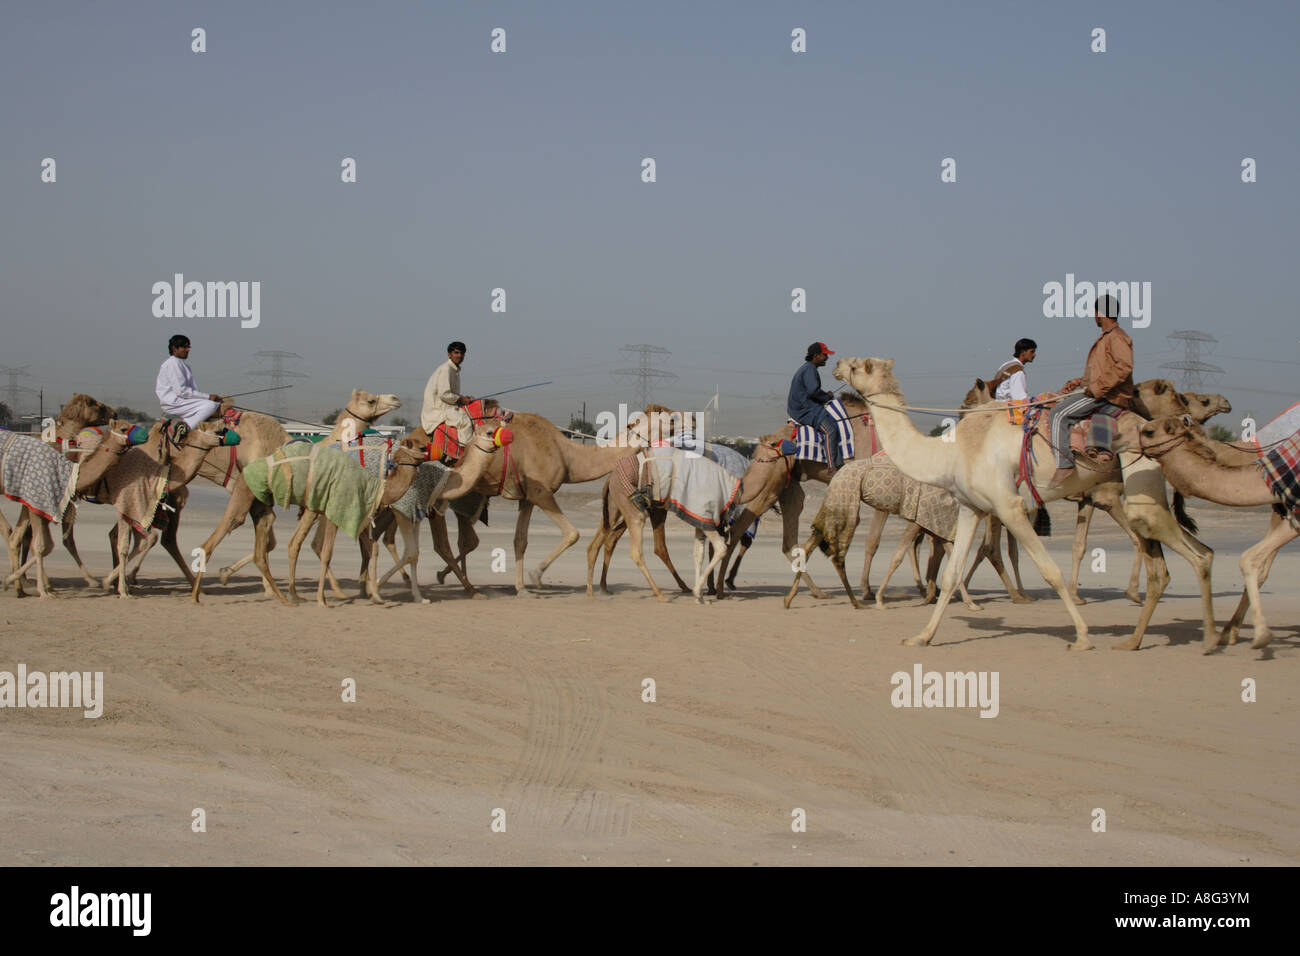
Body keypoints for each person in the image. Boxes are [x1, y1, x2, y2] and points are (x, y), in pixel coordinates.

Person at [1047, 295, 1134, 486]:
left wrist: (1095, 388)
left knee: (1058, 414)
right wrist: (1079, 382)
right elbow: (1103, 371)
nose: (1093, 317)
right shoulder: (1107, 338)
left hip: (1107, 395)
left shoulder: (1117, 338)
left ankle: (1064, 464)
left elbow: (1124, 368)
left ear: (1100, 314)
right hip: (1100, 390)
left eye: (1094, 313)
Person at [787, 342, 843, 470]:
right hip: (805, 410)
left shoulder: (807, 368)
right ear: (816, 356)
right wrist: (827, 396)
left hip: (804, 407)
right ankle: (832, 467)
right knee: (831, 431)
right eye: (825, 355)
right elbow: (813, 391)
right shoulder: (810, 369)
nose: (827, 358)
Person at [155, 334, 226, 427]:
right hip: (174, 402)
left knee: (214, 404)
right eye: (184, 347)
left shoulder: (183, 365)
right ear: (174, 348)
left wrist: (209, 397)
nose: (188, 349)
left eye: (188, 347)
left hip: (182, 400)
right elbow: (182, 391)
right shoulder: (173, 363)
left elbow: (192, 390)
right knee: (211, 405)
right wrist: (208, 397)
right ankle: (185, 428)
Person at [421, 341, 475, 439]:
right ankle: (465, 452)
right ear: (449, 354)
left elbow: (451, 394)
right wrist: (460, 399)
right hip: (438, 412)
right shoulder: (446, 369)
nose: (459, 356)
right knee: (465, 423)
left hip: (446, 408)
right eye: (456, 352)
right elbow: (444, 394)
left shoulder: (455, 371)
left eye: (462, 353)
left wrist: (463, 398)